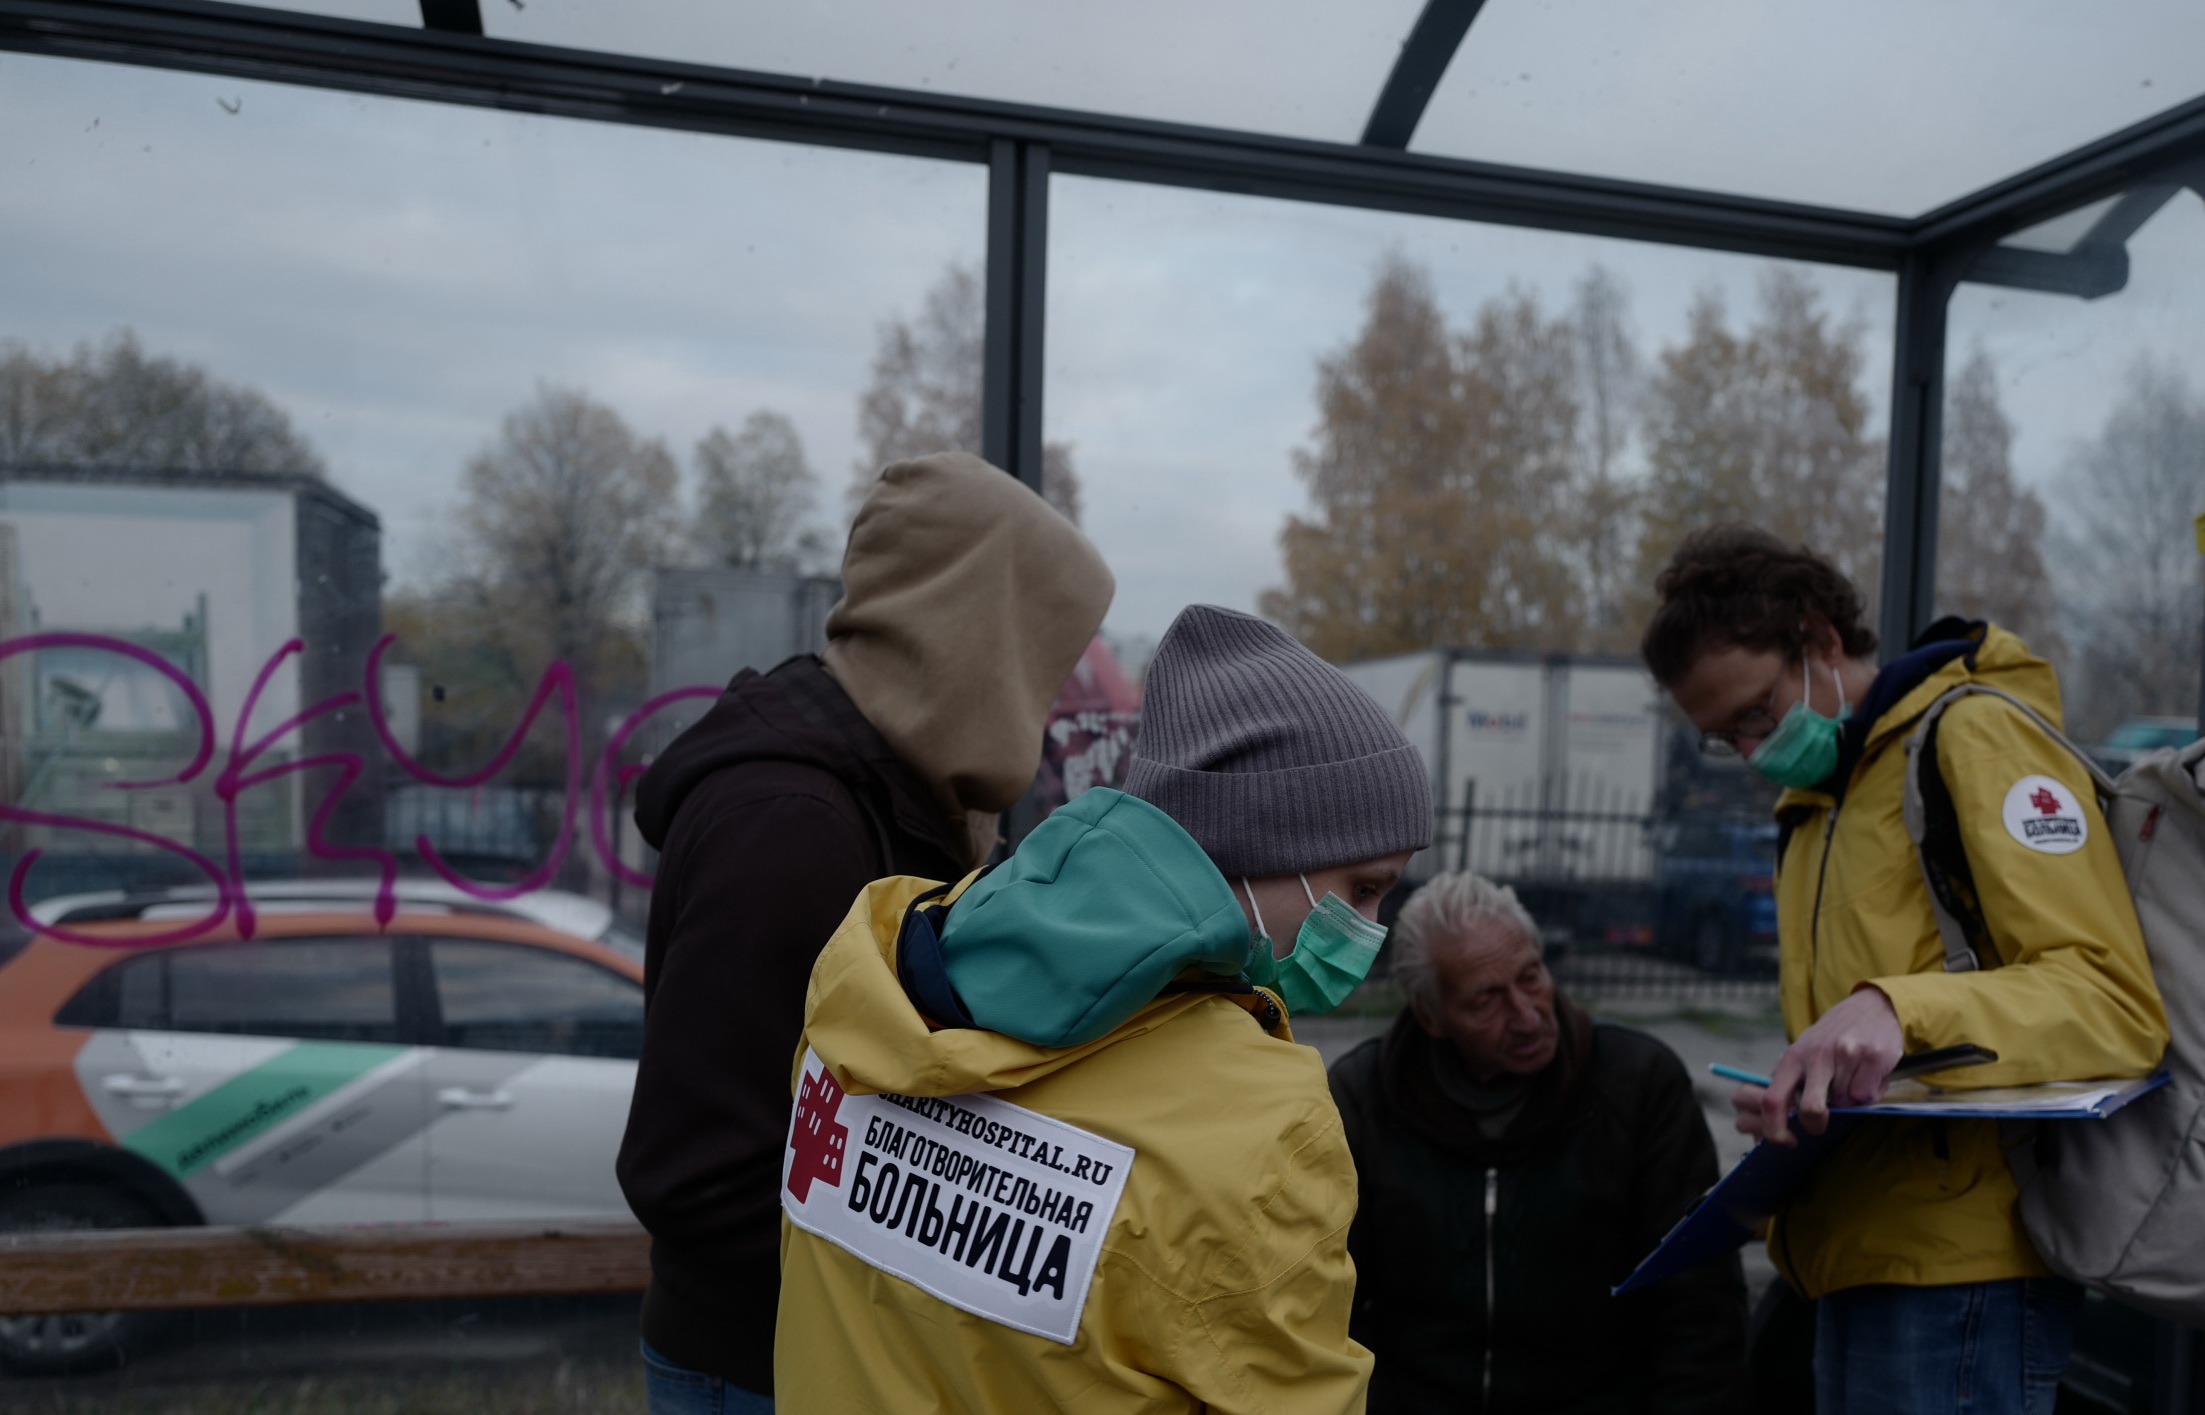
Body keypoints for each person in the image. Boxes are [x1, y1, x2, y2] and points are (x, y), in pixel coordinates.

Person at [772, 604, 1432, 1412]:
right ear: (1258, 845)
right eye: (1361, 887)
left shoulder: (873, 972)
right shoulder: (1263, 1121)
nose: (1368, 928)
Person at [616, 452, 1113, 1413]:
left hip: (814, 1346)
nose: (1045, 706)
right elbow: (696, 1173)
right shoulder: (792, 825)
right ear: (971, 636)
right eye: (1037, 661)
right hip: (768, 1361)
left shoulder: (879, 789)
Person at [1640, 525, 2167, 1415]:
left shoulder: (1975, 737)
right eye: (1722, 737)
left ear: (1820, 637)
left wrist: (1895, 1008)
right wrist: (1806, 1089)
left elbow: (2110, 999)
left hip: (1964, 1268)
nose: (1750, 749)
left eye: (1756, 713)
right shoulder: (1815, 803)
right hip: (1850, 1248)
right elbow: (1880, 1047)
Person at [1329, 870, 1747, 1414]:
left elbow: (1700, 1305)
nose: (1527, 1016)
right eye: (1487, 1001)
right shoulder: (1362, 1099)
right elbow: (1331, 1309)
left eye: (1531, 977)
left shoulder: (1639, 1084)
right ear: (1432, 1017)